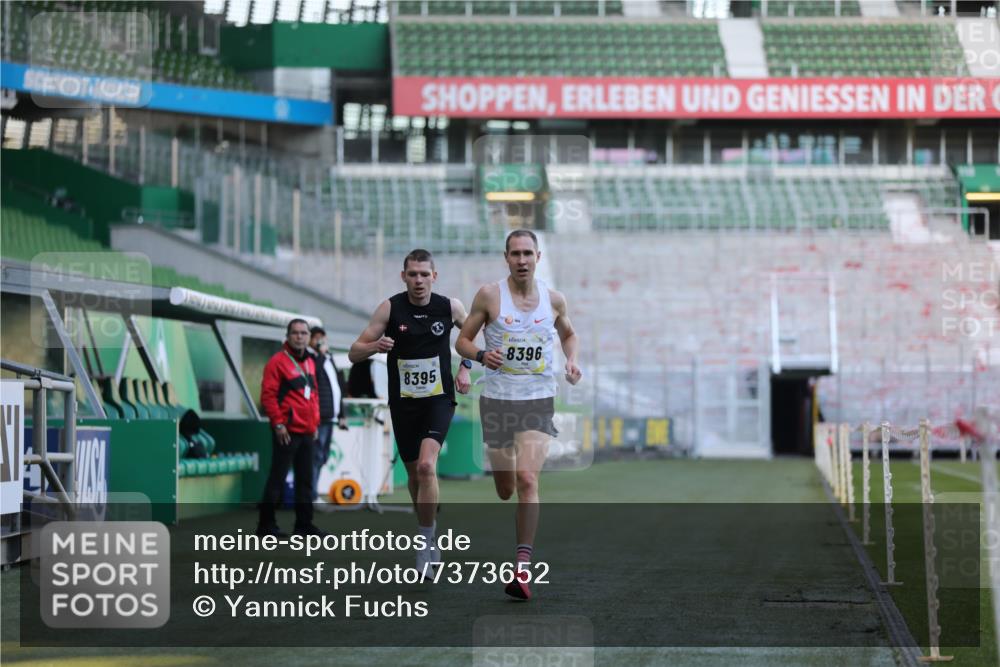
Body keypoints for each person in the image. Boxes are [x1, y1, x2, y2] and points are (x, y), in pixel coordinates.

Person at [456, 229, 582, 600]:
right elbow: (462, 341)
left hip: (537, 398)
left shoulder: (554, 300)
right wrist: (481, 356)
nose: (522, 260)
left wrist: (572, 360)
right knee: (505, 489)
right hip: (497, 399)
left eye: (528, 253)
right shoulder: (489, 296)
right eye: (515, 254)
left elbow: (569, 335)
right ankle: (505, 470)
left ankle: (522, 570)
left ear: (538, 257)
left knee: (527, 479)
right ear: (506, 257)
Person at [349, 249, 472, 576]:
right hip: (404, 403)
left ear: (435, 276)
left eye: (424, 274)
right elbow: (353, 352)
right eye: (413, 274)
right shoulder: (390, 308)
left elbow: (472, 336)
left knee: (428, 466)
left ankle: (424, 543)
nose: (419, 280)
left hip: (438, 400)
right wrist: (374, 346)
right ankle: (429, 531)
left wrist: (465, 367)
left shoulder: (450, 307)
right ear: (403, 276)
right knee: (416, 475)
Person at [257, 318, 324, 537]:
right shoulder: (277, 362)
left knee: (305, 481)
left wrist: (315, 424)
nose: (299, 337)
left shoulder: (310, 361)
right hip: (286, 431)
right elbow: (268, 396)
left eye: (304, 333)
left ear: (309, 337)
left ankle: (304, 525)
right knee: (277, 478)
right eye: (295, 333)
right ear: (287, 336)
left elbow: (313, 396)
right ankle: (266, 526)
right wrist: (278, 424)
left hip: (307, 431)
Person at [307, 326, 348, 502]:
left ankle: (312, 493)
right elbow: (312, 377)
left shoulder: (329, 358)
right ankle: (311, 495)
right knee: (315, 456)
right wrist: (321, 355)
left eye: (322, 338)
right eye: (316, 338)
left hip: (331, 416)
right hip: (318, 417)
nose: (320, 341)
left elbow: (338, 388)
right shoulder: (310, 358)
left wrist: (342, 415)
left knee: (322, 456)